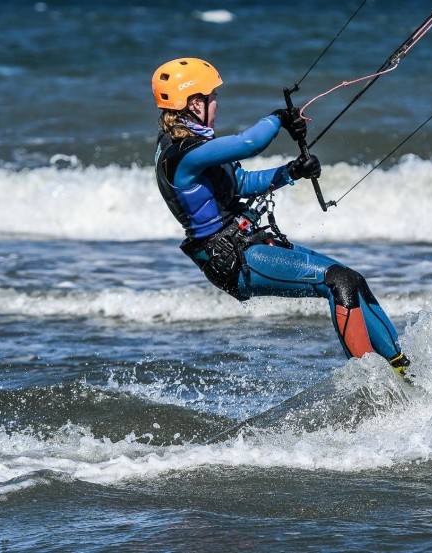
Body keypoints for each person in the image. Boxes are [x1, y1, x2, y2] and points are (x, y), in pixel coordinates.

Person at [151, 58, 411, 381]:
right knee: (336, 282)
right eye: (211, 97)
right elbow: (250, 143)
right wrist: (279, 118)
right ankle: (369, 385)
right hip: (233, 259)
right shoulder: (182, 154)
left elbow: (241, 183)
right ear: (193, 103)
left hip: (245, 242)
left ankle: (402, 369)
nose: (216, 103)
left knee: (352, 279)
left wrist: (290, 172)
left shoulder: (198, 145)